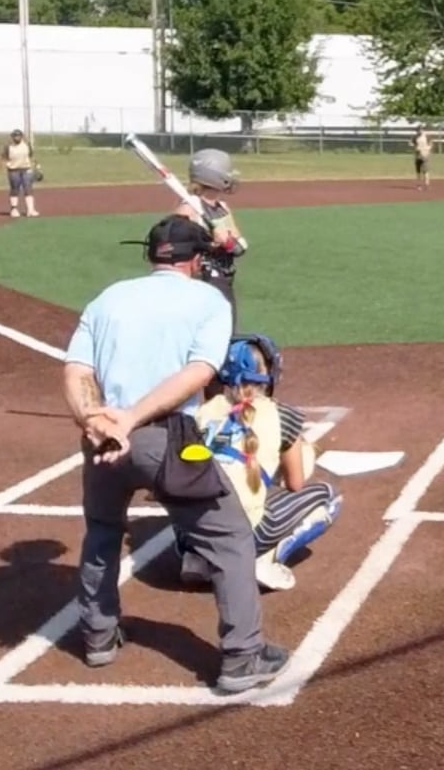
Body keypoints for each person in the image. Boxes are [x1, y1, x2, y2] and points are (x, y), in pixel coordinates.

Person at [64, 215, 287, 695]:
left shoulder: (108, 298)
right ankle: (242, 657)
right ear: (196, 259)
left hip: (101, 439)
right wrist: (131, 419)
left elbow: (78, 370)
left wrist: (95, 422)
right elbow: (199, 373)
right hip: (164, 436)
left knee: (102, 531)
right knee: (230, 537)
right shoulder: (208, 300)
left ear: (151, 254)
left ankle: (98, 636)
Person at [177, 334, 343, 592]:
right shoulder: (282, 415)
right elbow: (295, 484)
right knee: (328, 497)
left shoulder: (202, 412)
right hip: (242, 537)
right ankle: (265, 558)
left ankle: (198, 559)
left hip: (189, 536)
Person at [174, 148, 246, 327]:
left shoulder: (222, 207)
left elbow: (239, 247)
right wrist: (210, 243)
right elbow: (177, 250)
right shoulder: (188, 210)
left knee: (227, 328)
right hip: (203, 279)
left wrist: (227, 242)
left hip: (224, 277)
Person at [3, 128, 39, 219]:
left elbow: (31, 156)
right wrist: (6, 165)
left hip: (26, 169)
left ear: (21, 137)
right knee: (15, 189)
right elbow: (4, 157)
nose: (17, 138)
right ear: (12, 137)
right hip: (13, 170)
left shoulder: (26, 145)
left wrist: (36, 166)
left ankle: (30, 210)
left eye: (18, 136)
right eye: (15, 136)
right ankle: (14, 209)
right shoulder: (9, 146)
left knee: (28, 189)